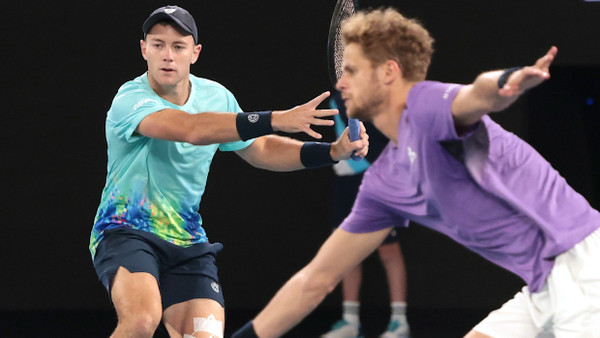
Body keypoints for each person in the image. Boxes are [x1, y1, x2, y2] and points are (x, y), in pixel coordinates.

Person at [231, 7, 600, 338]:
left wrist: (505, 83)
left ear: (390, 71)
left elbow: (476, 95)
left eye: (353, 70)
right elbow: (316, 279)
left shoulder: (425, 107)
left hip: (585, 267)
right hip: (543, 286)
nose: (340, 82)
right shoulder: (385, 181)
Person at [89, 5, 368, 338]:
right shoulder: (129, 99)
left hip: (187, 241)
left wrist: (332, 152)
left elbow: (260, 149)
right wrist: (275, 118)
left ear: (195, 53)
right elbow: (191, 129)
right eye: (158, 44)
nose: (167, 55)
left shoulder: (216, 97)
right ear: (143, 48)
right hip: (126, 231)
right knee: (140, 322)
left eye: (178, 46)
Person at [321, 93, 409, 338]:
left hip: (377, 177)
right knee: (346, 252)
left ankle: (399, 322)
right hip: (345, 182)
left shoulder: (375, 90)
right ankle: (350, 322)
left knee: (388, 249)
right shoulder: (339, 90)